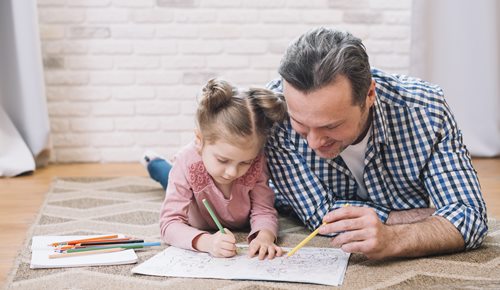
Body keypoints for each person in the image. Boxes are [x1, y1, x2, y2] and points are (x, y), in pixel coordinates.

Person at [265, 27, 488, 260]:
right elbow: (320, 214)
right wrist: (430, 217)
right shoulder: (273, 112)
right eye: (300, 123)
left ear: (369, 94)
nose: (313, 142)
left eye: (331, 126)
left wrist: (394, 237)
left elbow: (469, 216)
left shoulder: (426, 111)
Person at [143, 79, 287, 260]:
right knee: (168, 175)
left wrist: (265, 237)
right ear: (199, 139)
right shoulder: (186, 162)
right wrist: (207, 243)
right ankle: (155, 164)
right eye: (223, 160)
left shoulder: (257, 161)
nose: (232, 172)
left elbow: (264, 209)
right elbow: (169, 224)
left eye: (245, 163)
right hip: (186, 180)